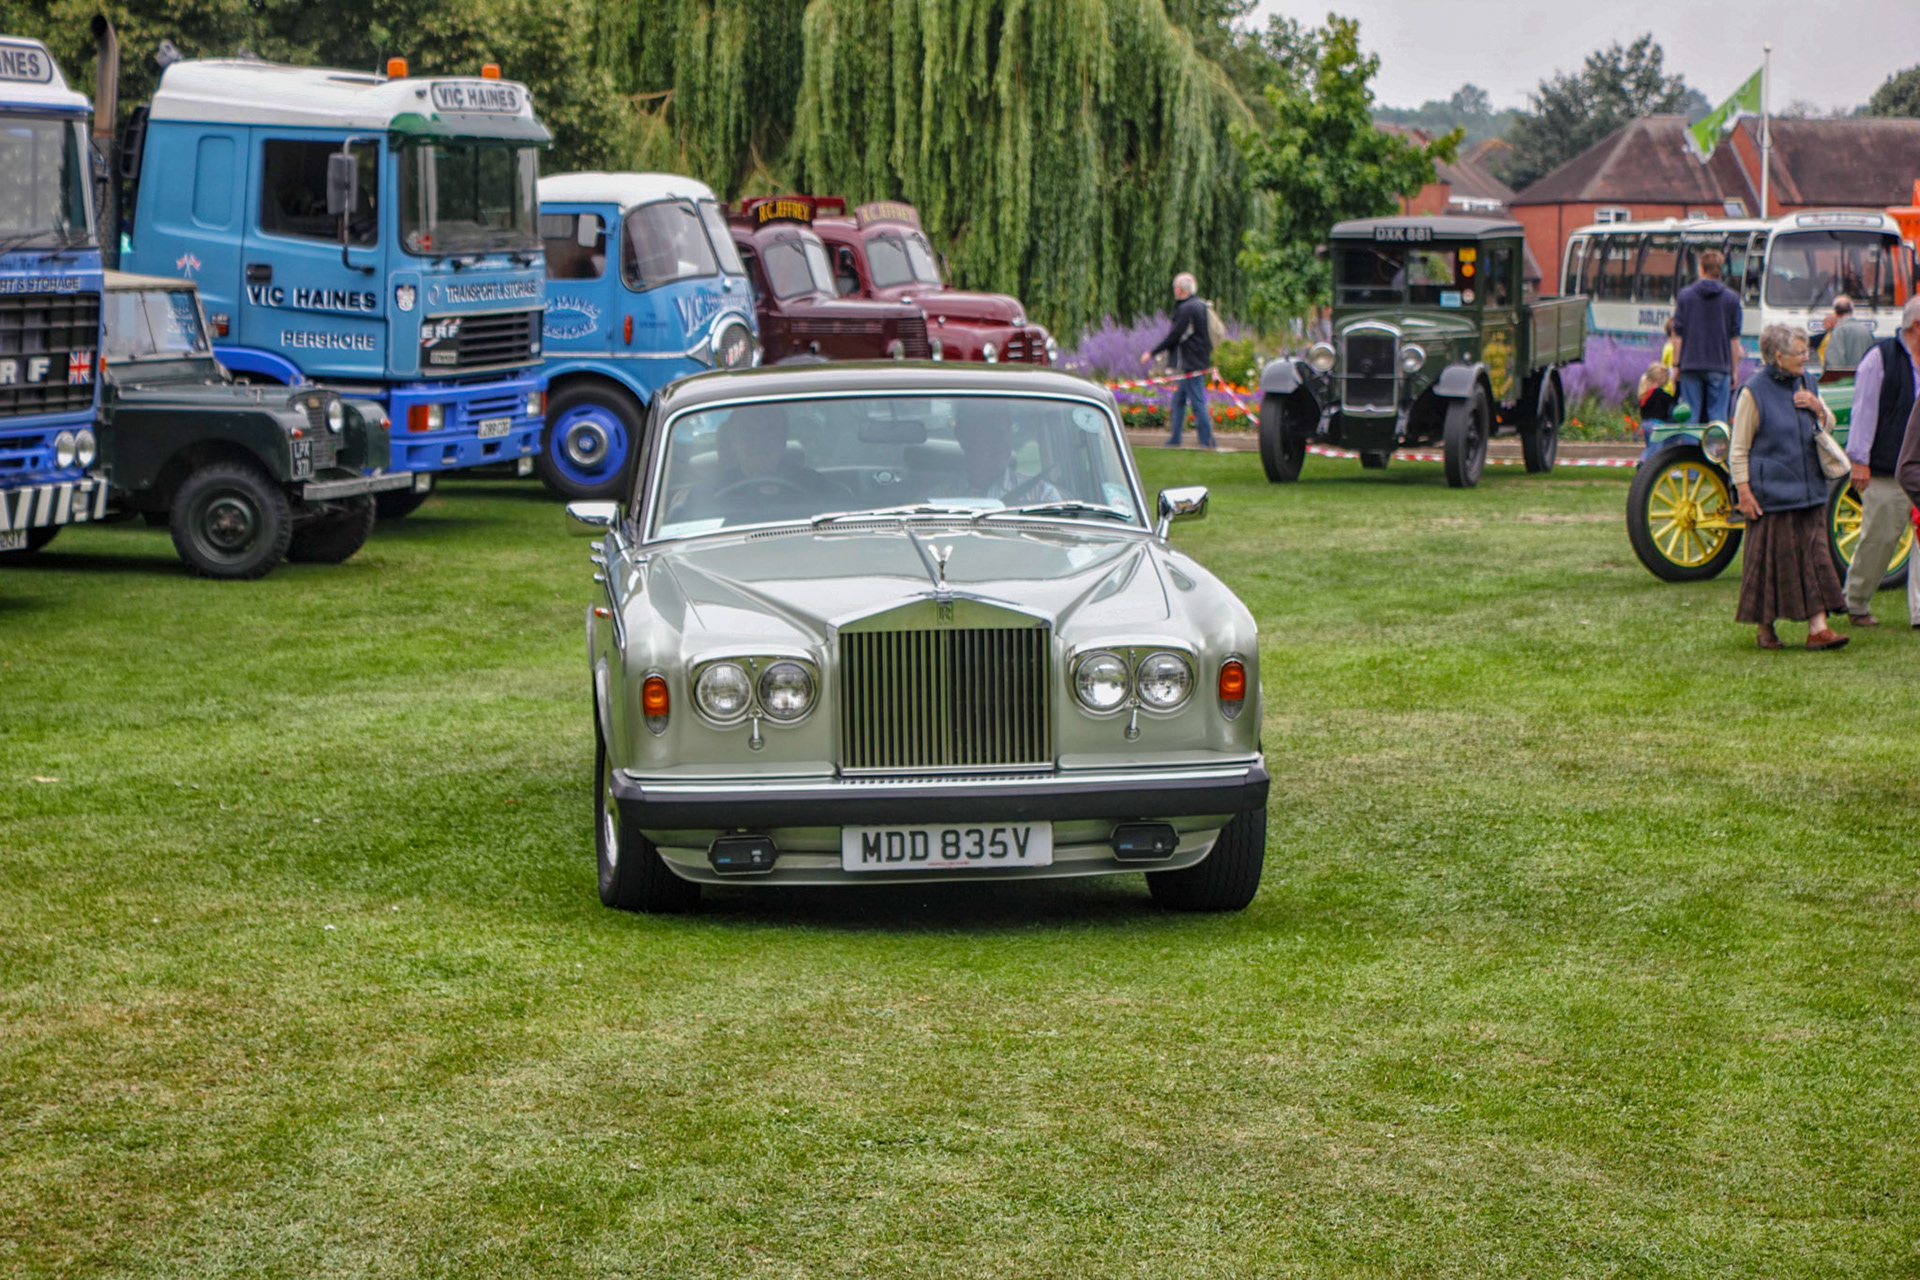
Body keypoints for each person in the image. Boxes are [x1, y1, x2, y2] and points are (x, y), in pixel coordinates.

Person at [1730, 324, 1849, 650]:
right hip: (1771, 496)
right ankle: (1765, 630)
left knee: (1816, 558)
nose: (1806, 357)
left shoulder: (1808, 382)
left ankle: (1818, 629)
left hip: (1810, 489)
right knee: (1769, 564)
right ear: (1778, 356)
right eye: (1800, 353)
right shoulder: (1753, 392)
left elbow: (1828, 426)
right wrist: (1743, 491)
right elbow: (1738, 448)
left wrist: (1818, 408)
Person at [1844, 297, 1920, 624]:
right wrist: (1859, 460)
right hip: (1886, 469)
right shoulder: (1880, 358)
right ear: (1917, 325)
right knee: (1879, 539)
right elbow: (1864, 411)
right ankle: (1856, 602)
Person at [1140, 272, 1214, 449]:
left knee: (1197, 402)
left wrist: (1152, 353)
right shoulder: (1200, 306)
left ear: (1180, 289)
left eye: (1175, 288)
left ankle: (1207, 441)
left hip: (1191, 363)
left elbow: (1174, 336)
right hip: (1199, 360)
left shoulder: (1185, 309)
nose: (1174, 291)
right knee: (1179, 400)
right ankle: (1175, 439)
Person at [1671, 248, 1744, 426]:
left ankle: (1689, 452)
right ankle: (1716, 453)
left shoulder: (1685, 296)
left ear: (1701, 269)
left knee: (1690, 415)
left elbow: (1677, 336)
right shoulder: (1731, 299)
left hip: (1690, 364)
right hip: (1720, 365)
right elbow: (1734, 340)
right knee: (1718, 417)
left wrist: (1676, 365)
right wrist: (1734, 370)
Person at [953, 402, 1060, 505]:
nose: (1000, 441)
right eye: (988, 431)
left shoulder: (1043, 496)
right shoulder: (940, 499)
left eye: (1006, 430)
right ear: (963, 436)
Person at [1819, 295, 1876, 377]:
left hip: (1846, 383)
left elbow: (1834, 363)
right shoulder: (1866, 331)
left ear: (1835, 312)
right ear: (1852, 310)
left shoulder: (1838, 331)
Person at [1637, 362, 1677, 436]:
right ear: (1660, 378)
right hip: (1656, 425)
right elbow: (1672, 402)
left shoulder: (1644, 393)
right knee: (1657, 447)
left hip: (1645, 424)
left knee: (1650, 445)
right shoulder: (1659, 393)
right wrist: (1674, 384)